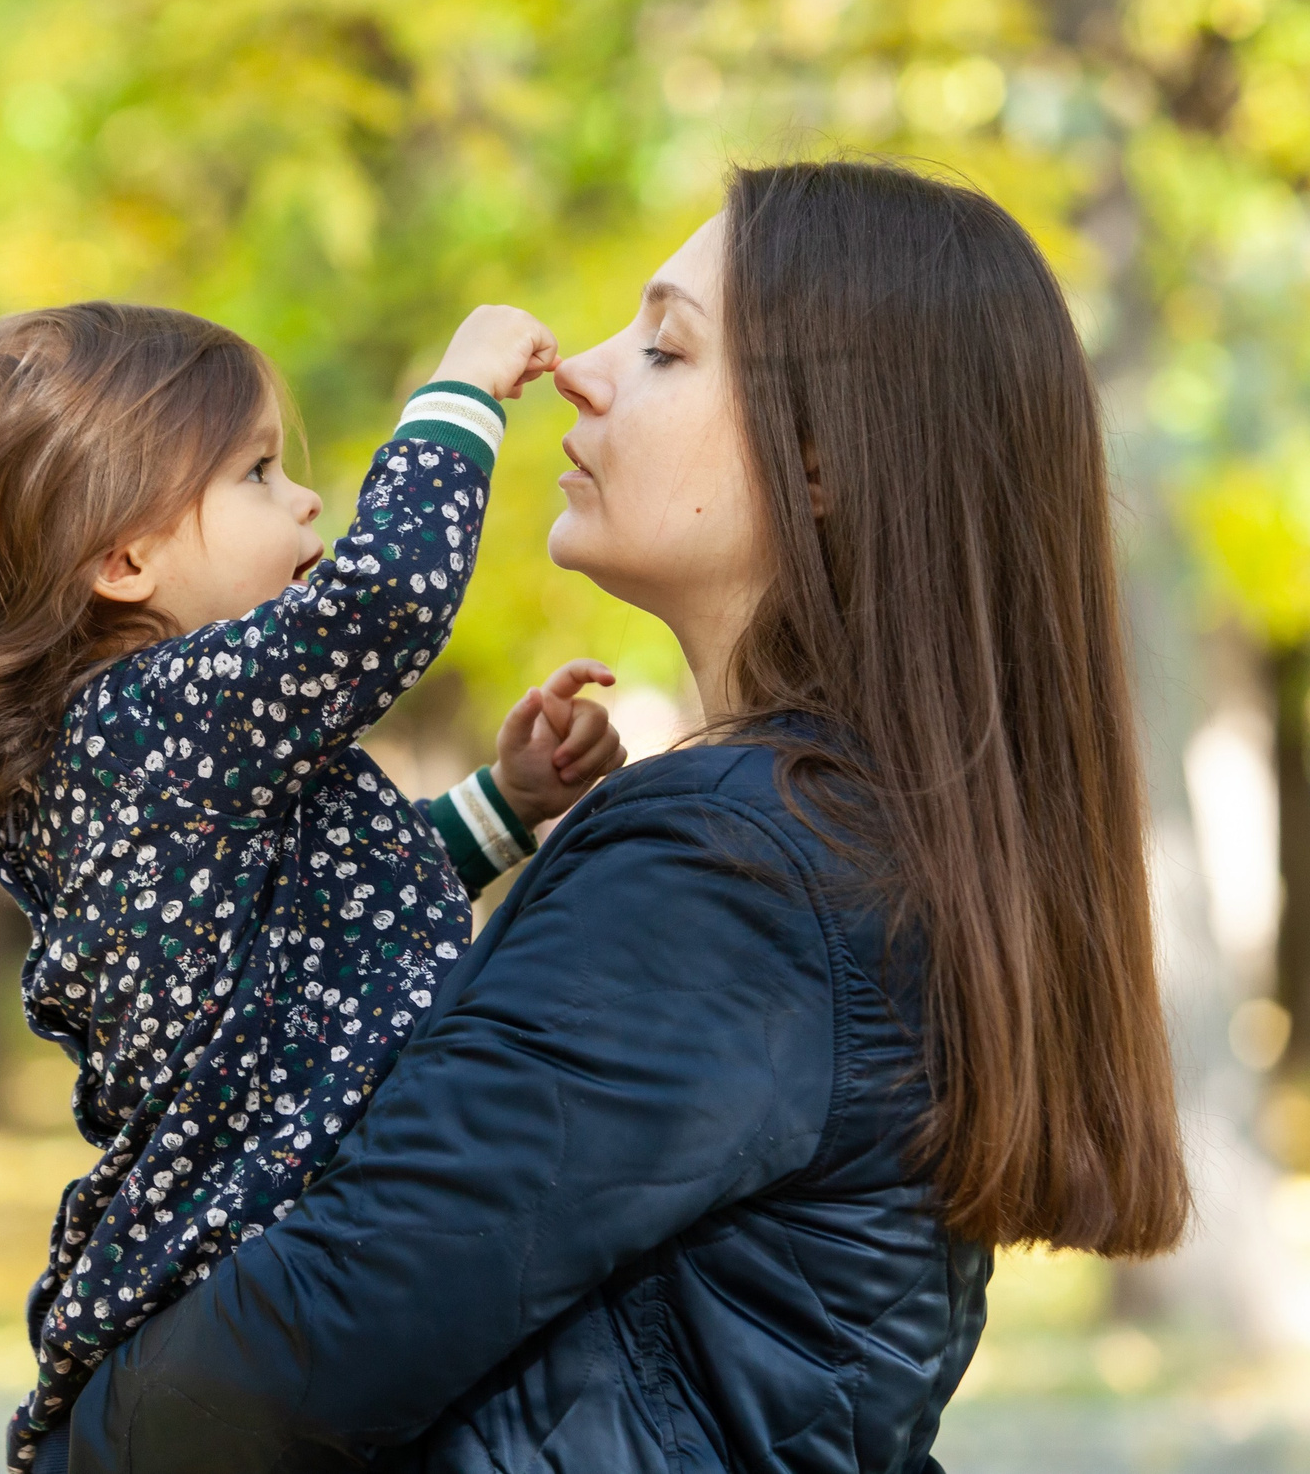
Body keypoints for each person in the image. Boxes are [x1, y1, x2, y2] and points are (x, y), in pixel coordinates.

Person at [60, 161, 1194, 1473]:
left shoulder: (737, 867)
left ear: (821, 459)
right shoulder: (838, 842)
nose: (584, 370)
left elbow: (294, 1353)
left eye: (664, 347)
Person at [0, 301, 628, 1471]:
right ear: (124, 562)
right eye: (258, 471)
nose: (306, 497)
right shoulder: (164, 708)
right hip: (288, 1200)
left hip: (254, 1206)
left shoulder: (118, 750)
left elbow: (331, 919)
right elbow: (385, 600)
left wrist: (501, 809)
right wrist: (458, 391)